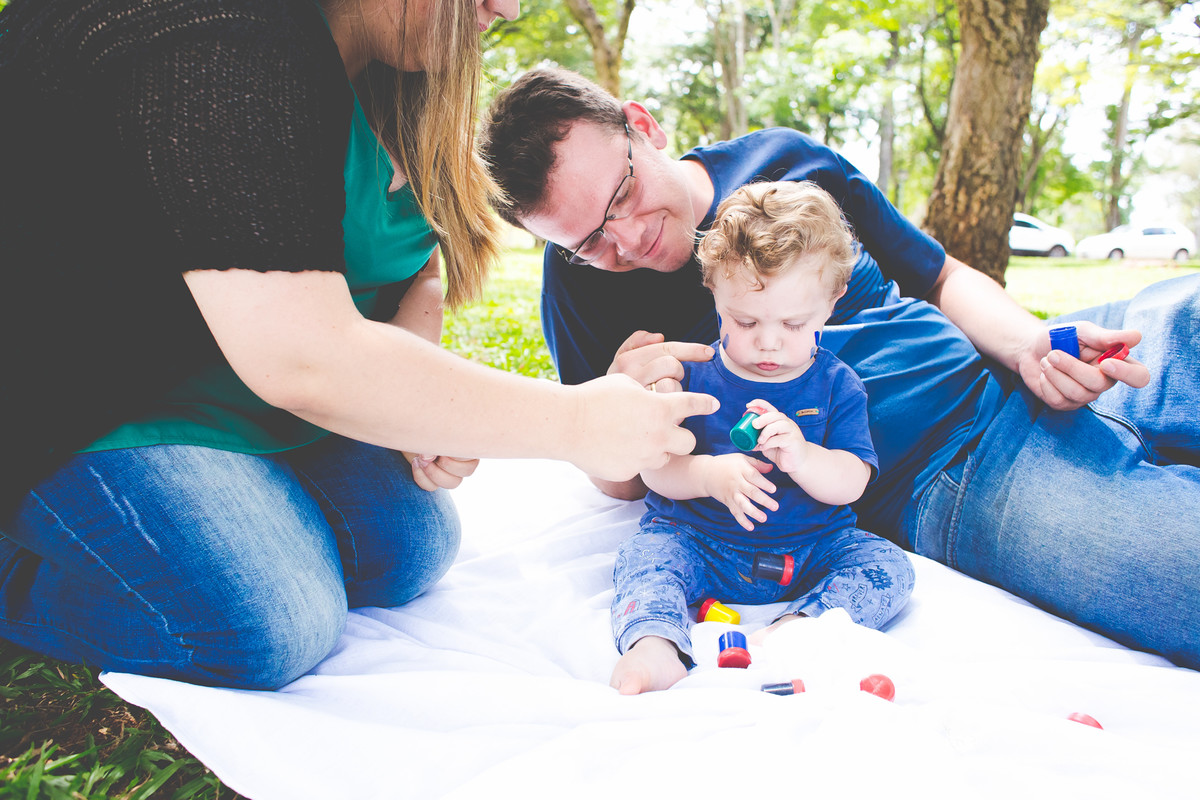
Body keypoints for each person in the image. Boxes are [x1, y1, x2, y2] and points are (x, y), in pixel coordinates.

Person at [0, 0, 718, 690]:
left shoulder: (381, 75)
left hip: (220, 381)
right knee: (273, 622)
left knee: (408, 547)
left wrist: (416, 404)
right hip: (78, 399)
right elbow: (302, 357)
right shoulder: (221, 37)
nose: (506, 10)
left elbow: (416, 266)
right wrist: (579, 423)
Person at [480, 66, 1200, 670]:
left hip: (1009, 364)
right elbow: (619, 477)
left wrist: (1027, 344)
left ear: (644, 127)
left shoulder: (787, 163)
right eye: (589, 240)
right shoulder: (577, 286)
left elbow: (941, 277)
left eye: (623, 197)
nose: (628, 241)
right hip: (952, 475)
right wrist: (618, 404)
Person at [611, 181, 914, 694]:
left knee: (888, 566)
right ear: (713, 290)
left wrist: (803, 456)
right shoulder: (690, 374)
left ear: (832, 300)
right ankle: (656, 643)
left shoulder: (838, 384)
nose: (769, 341)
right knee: (644, 557)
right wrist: (708, 474)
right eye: (745, 320)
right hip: (698, 540)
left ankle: (798, 628)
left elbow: (851, 484)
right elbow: (654, 469)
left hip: (809, 548)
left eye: (794, 324)